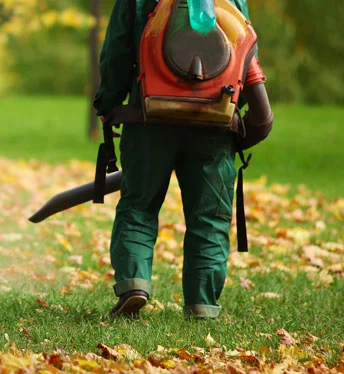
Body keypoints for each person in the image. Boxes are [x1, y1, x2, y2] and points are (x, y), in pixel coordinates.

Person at [94, 0, 274, 319]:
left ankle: (135, 284)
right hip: (215, 125)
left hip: (149, 118)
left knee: (139, 206)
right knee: (210, 217)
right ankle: (202, 304)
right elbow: (245, 52)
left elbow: (117, 52)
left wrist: (108, 102)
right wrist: (239, 119)